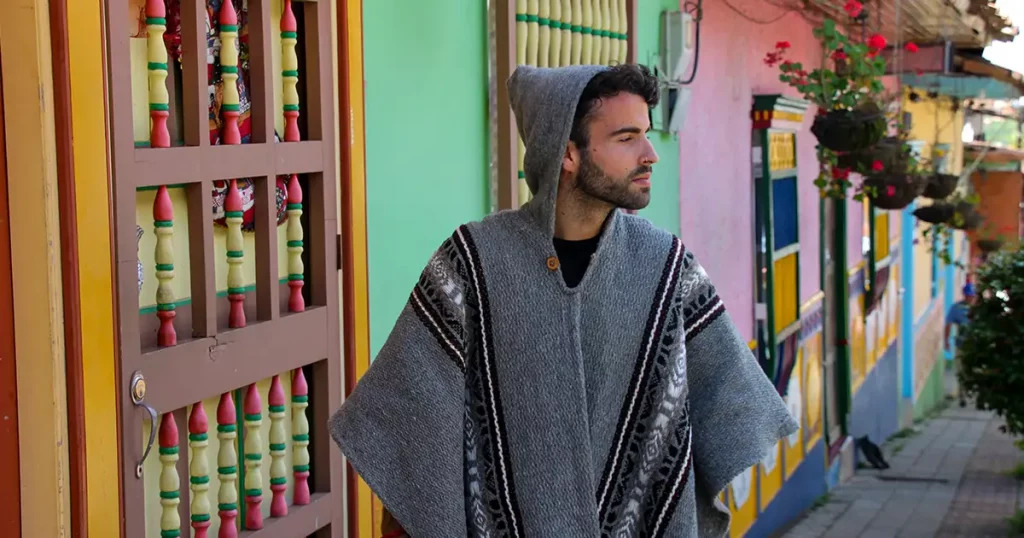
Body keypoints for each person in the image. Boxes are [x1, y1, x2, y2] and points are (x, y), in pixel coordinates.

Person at [330, 64, 797, 537]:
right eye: (626, 137)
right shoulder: (472, 262)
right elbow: (408, 418)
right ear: (568, 153)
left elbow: (732, 398)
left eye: (647, 134)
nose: (650, 154)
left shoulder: (666, 267)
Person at [945, 281, 977, 407]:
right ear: (964, 295)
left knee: (973, 371)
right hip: (961, 344)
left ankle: (972, 394)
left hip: (975, 346)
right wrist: (946, 341)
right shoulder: (956, 308)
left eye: (972, 296)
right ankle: (962, 396)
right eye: (968, 295)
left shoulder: (977, 309)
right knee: (961, 370)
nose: (970, 298)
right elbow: (948, 324)